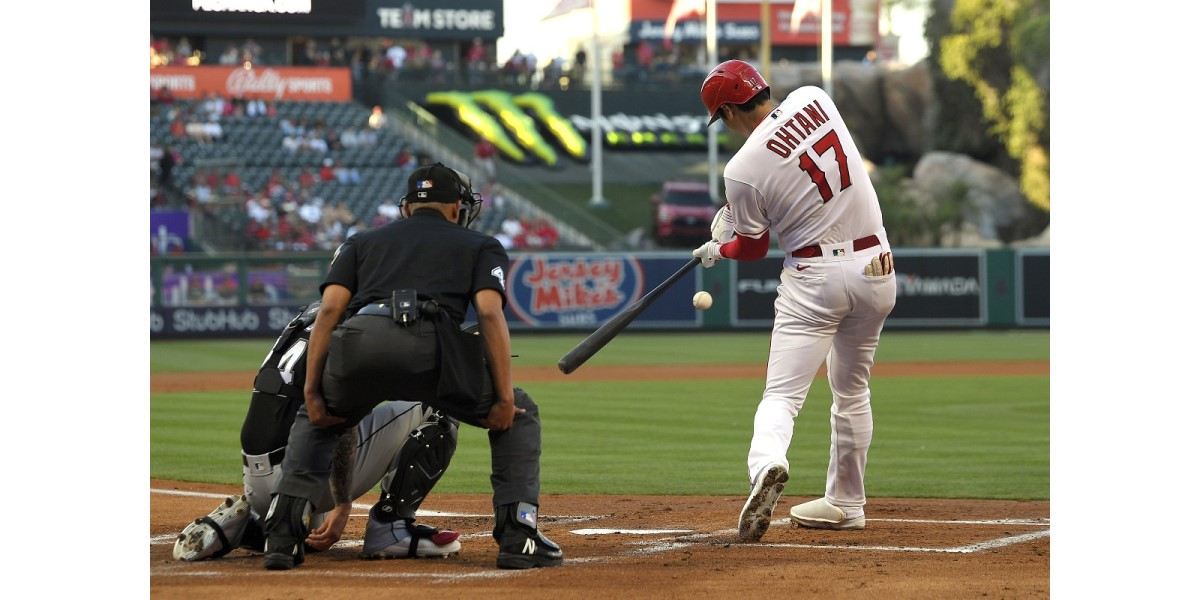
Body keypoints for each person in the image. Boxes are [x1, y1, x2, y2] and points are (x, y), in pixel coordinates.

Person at [261, 164, 563, 571]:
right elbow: (490, 315)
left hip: (358, 344)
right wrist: (504, 400)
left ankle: (282, 536)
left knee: (319, 420)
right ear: (457, 207)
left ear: (407, 208)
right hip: (432, 348)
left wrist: (313, 393)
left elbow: (330, 310)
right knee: (519, 415)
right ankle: (518, 537)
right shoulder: (481, 245)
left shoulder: (360, 241)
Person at [691, 60, 897, 542]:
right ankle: (847, 502)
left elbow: (755, 247)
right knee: (851, 390)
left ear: (726, 111)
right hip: (876, 266)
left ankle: (768, 464)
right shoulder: (815, 98)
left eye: (721, 117)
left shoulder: (740, 170)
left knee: (782, 395)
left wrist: (717, 248)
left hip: (816, 278)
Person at [172, 302, 462, 562]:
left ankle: (252, 523)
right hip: (303, 480)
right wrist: (343, 503)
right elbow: (340, 423)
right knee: (437, 404)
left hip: (257, 474)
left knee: (310, 532)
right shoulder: (362, 323)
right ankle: (392, 528)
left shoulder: (310, 313)